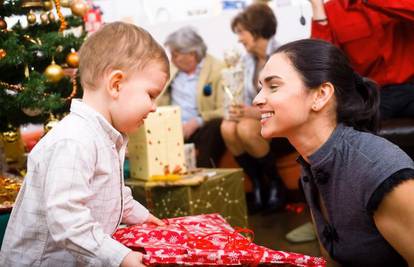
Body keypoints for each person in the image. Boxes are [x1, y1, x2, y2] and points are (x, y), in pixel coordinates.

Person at [0, 22, 169, 267]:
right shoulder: (75, 140)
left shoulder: (105, 136)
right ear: (116, 85)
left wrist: (142, 217)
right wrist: (119, 257)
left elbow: (110, 192)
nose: (153, 106)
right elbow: (66, 217)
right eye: (151, 94)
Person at [254, 38, 414, 266]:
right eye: (260, 87)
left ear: (320, 95)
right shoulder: (312, 162)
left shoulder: (379, 171)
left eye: (273, 86)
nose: (257, 99)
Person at [220, 3, 292, 213]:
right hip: (260, 117)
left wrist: (253, 112)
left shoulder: (283, 56)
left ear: (257, 29)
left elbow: (287, 100)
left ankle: (275, 182)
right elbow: (243, 97)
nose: (239, 38)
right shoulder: (247, 60)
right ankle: (259, 184)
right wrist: (237, 110)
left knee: (245, 129)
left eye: (242, 32)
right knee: (227, 126)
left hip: (281, 117)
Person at [309, 0, 414, 120]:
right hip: (372, 96)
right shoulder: (332, 10)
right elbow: (321, 62)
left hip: (410, 88)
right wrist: (317, 7)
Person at [159, 26, 225, 168]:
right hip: (174, 126)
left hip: (202, 127)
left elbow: (224, 109)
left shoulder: (218, 69)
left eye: (175, 55)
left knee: (214, 127)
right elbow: (159, 98)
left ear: (192, 54)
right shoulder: (171, 70)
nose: (173, 59)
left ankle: (204, 173)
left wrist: (196, 122)